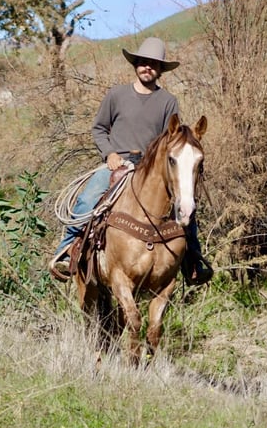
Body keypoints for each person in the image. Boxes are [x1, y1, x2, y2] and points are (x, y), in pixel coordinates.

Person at [49, 37, 213, 285]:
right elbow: (99, 129)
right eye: (144, 62)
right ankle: (66, 251)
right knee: (87, 198)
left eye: (154, 64)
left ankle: (193, 261)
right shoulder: (116, 95)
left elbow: (170, 139)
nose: (148, 67)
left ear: (160, 70)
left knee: (186, 206)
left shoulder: (168, 101)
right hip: (117, 165)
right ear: (136, 64)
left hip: (151, 170)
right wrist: (110, 154)